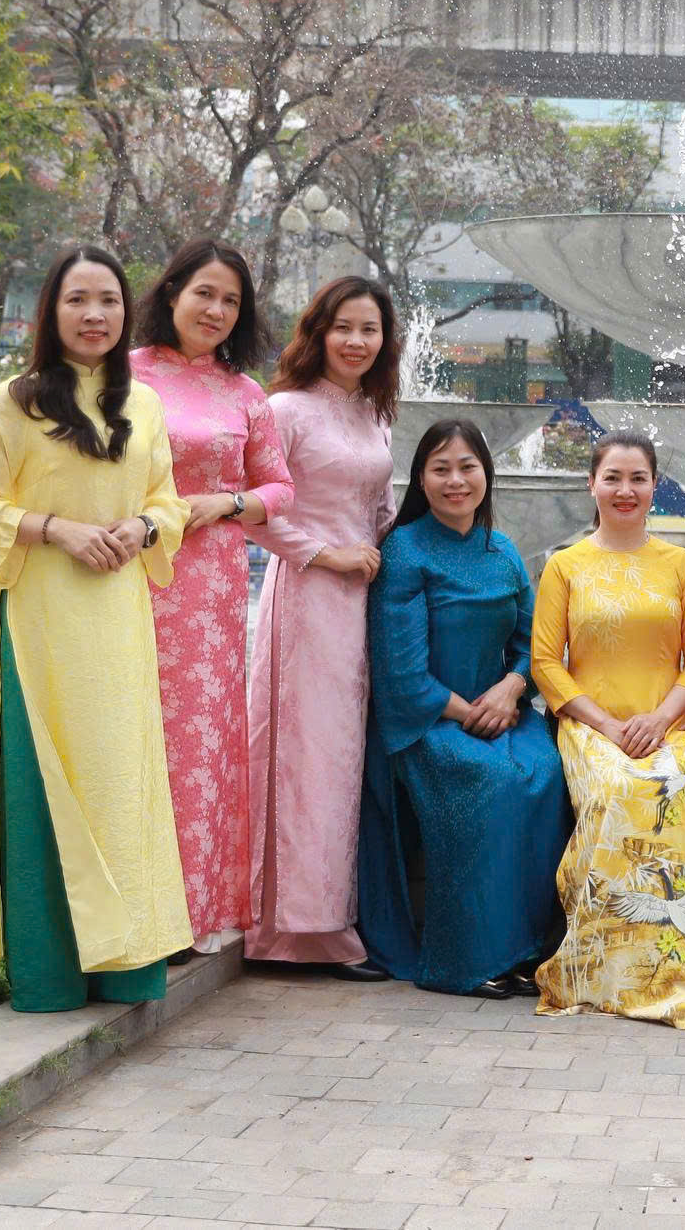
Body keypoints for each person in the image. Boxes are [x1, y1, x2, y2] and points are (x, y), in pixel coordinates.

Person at [0, 245, 193, 1011]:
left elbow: (168, 500)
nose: (95, 314)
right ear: (50, 311)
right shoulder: (13, 403)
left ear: (127, 312)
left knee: (122, 783)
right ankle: (51, 973)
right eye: (78, 299)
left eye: (109, 300)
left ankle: (126, 963)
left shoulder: (144, 403)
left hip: (119, 622)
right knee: (45, 786)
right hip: (44, 622)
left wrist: (142, 528)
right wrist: (56, 528)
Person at [356, 421, 567, 998]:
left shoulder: (502, 550)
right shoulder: (404, 550)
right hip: (426, 720)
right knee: (491, 781)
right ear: (421, 479)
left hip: (502, 711)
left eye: (467, 467)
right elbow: (401, 675)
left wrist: (511, 688)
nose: (456, 480)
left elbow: (533, 644)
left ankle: (530, 949)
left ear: (486, 475)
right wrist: (465, 712)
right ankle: (467, 959)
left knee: (550, 771)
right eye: (441, 469)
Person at [130, 239, 292, 956]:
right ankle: (130, 905)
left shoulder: (245, 392)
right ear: (172, 293)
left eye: (231, 300)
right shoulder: (123, 374)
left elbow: (279, 489)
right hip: (132, 572)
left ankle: (193, 909)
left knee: (200, 738)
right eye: (204, 293)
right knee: (135, 729)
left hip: (212, 588)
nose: (216, 310)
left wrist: (225, 503)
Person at [530, 432, 685, 1029]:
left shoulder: (680, 565)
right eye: (612, 477)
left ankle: (664, 972)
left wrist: (662, 718)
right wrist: (608, 725)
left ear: (654, 486)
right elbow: (546, 663)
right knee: (619, 787)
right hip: (592, 727)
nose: (625, 490)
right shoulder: (565, 565)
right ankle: (598, 968)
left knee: (666, 787)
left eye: (638, 478)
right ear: (592, 484)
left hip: (668, 725)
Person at [249, 276, 397, 972]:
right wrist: (324, 553)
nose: (356, 341)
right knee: (306, 755)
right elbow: (255, 512)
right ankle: (291, 929)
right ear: (318, 331)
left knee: (345, 758)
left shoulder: (375, 413)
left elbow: (381, 511)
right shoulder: (286, 410)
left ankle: (335, 916)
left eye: (370, 329)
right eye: (344, 327)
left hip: (364, 602)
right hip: (306, 598)